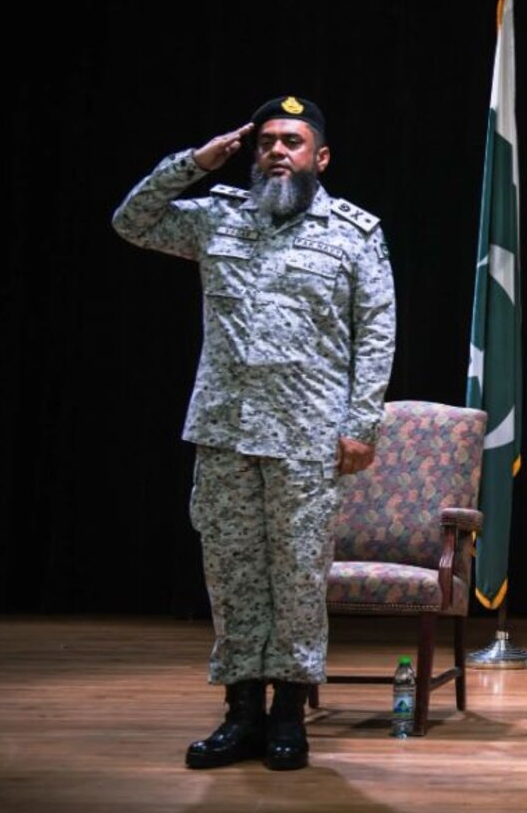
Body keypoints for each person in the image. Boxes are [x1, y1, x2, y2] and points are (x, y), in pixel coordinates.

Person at [112, 96, 397, 772]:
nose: (276, 151)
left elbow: (376, 333)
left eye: (292, 141)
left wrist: (360, 426)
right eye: (266, 140)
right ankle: (240, 715)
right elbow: (131, 222)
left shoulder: (353, 233)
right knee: (232, 578)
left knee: (297, 581)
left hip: (307, 437)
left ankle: (288, 718)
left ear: (319, 158)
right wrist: (194, 162)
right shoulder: (216, 219)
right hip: (226, 432)